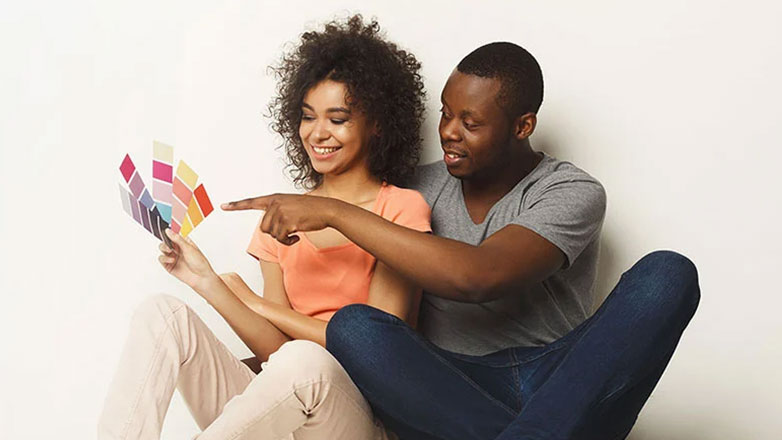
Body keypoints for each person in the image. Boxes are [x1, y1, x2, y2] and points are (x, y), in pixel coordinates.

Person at [223, 42, 701, 439]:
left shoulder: (570, 191)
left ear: (523, 126)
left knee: (668, 273)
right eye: (446, 114)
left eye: (470, 123)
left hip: (561, 380)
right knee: (356, 327)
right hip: (447, 385)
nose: (449, 132)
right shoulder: (414, 187)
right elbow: (358, 320)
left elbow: (479, 276)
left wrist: (330, 210)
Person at [98, 15, 430, 440]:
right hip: (282, 407)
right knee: (163, 314)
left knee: (305, 361)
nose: (317, 133)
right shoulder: (281, 216)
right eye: (308, 116)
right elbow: (274, 352)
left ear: (377, 124)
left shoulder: (400, 209)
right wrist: (208, 282)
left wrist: (259, 305)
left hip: (362, 420)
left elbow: (375, 348)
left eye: (338, 118)